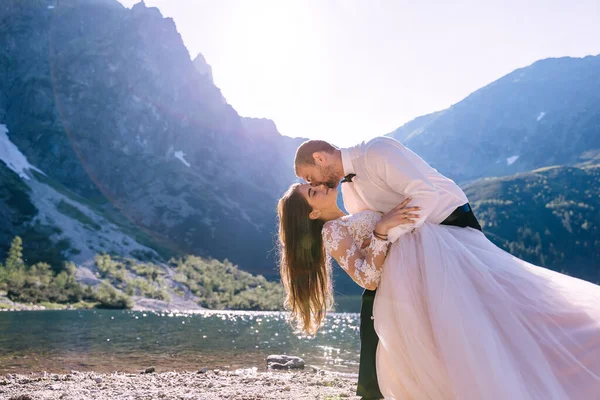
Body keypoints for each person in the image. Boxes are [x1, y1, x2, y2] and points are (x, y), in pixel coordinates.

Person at [276, 136, 600, 399]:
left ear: (320, 158)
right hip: (411, 268)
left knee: (495, 306)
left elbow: (423, 195)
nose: (314, 184)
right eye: (309, 188)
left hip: (444, 237)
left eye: (309, 179)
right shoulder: (344, 200)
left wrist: (391, 232)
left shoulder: (377, 151)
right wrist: (384, 231)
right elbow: (375, 245)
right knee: (463, 324)